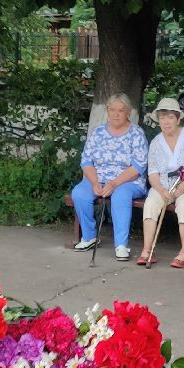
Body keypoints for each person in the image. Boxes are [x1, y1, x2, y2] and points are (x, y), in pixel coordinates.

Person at [70, 93, 148, 260]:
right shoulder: (98, 132)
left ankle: (121, 245)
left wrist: (114, 183)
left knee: (121, 195)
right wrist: (95, 182)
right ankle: (90, 237)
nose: (116, 114)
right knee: (79, 193)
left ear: (128, 112)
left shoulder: (136, 133)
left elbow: (138, 166)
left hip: (128, 181)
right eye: (112, 110)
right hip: (99, 178)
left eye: (120, 110)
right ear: (107, 111)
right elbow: (86, 161)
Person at [135, 96, 184, 269]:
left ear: (178, 118)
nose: (166, 122)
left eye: (170, 117)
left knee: (183, 204)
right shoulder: (156, 142)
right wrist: (161, 190)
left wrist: (182, 187)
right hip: (164, 187)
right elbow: (152, 174)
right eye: (162, 118)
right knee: (151, 203)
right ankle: (147, 251)